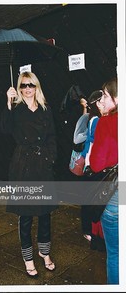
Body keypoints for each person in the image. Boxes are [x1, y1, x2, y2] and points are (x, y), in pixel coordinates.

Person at [0, 71, 58, 278]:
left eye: (30, 85)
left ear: (36, 87)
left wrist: (51, 158)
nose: (27, 89)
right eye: (23, 85)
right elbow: (4, 129)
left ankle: (45, 252)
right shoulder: (16, 110)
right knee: (26, 216)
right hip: (23, 165)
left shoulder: (45, 109)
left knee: (44, 213)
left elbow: (51, 135)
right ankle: (28, 258)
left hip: (42, 164)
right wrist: (8, 101)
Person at [90, 77, 118, 284]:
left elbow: (97, 164)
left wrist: (104, 119)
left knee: (116, 254)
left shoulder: (106, 123)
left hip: (118, 197)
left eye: (106, 96)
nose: (103, 100)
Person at [80, 90, 106, 251]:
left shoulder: (93, 118)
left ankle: (88, 229)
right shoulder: (97, 120)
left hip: (89, 163)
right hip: (93, 165)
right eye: (102, 100)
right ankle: (89, 230)